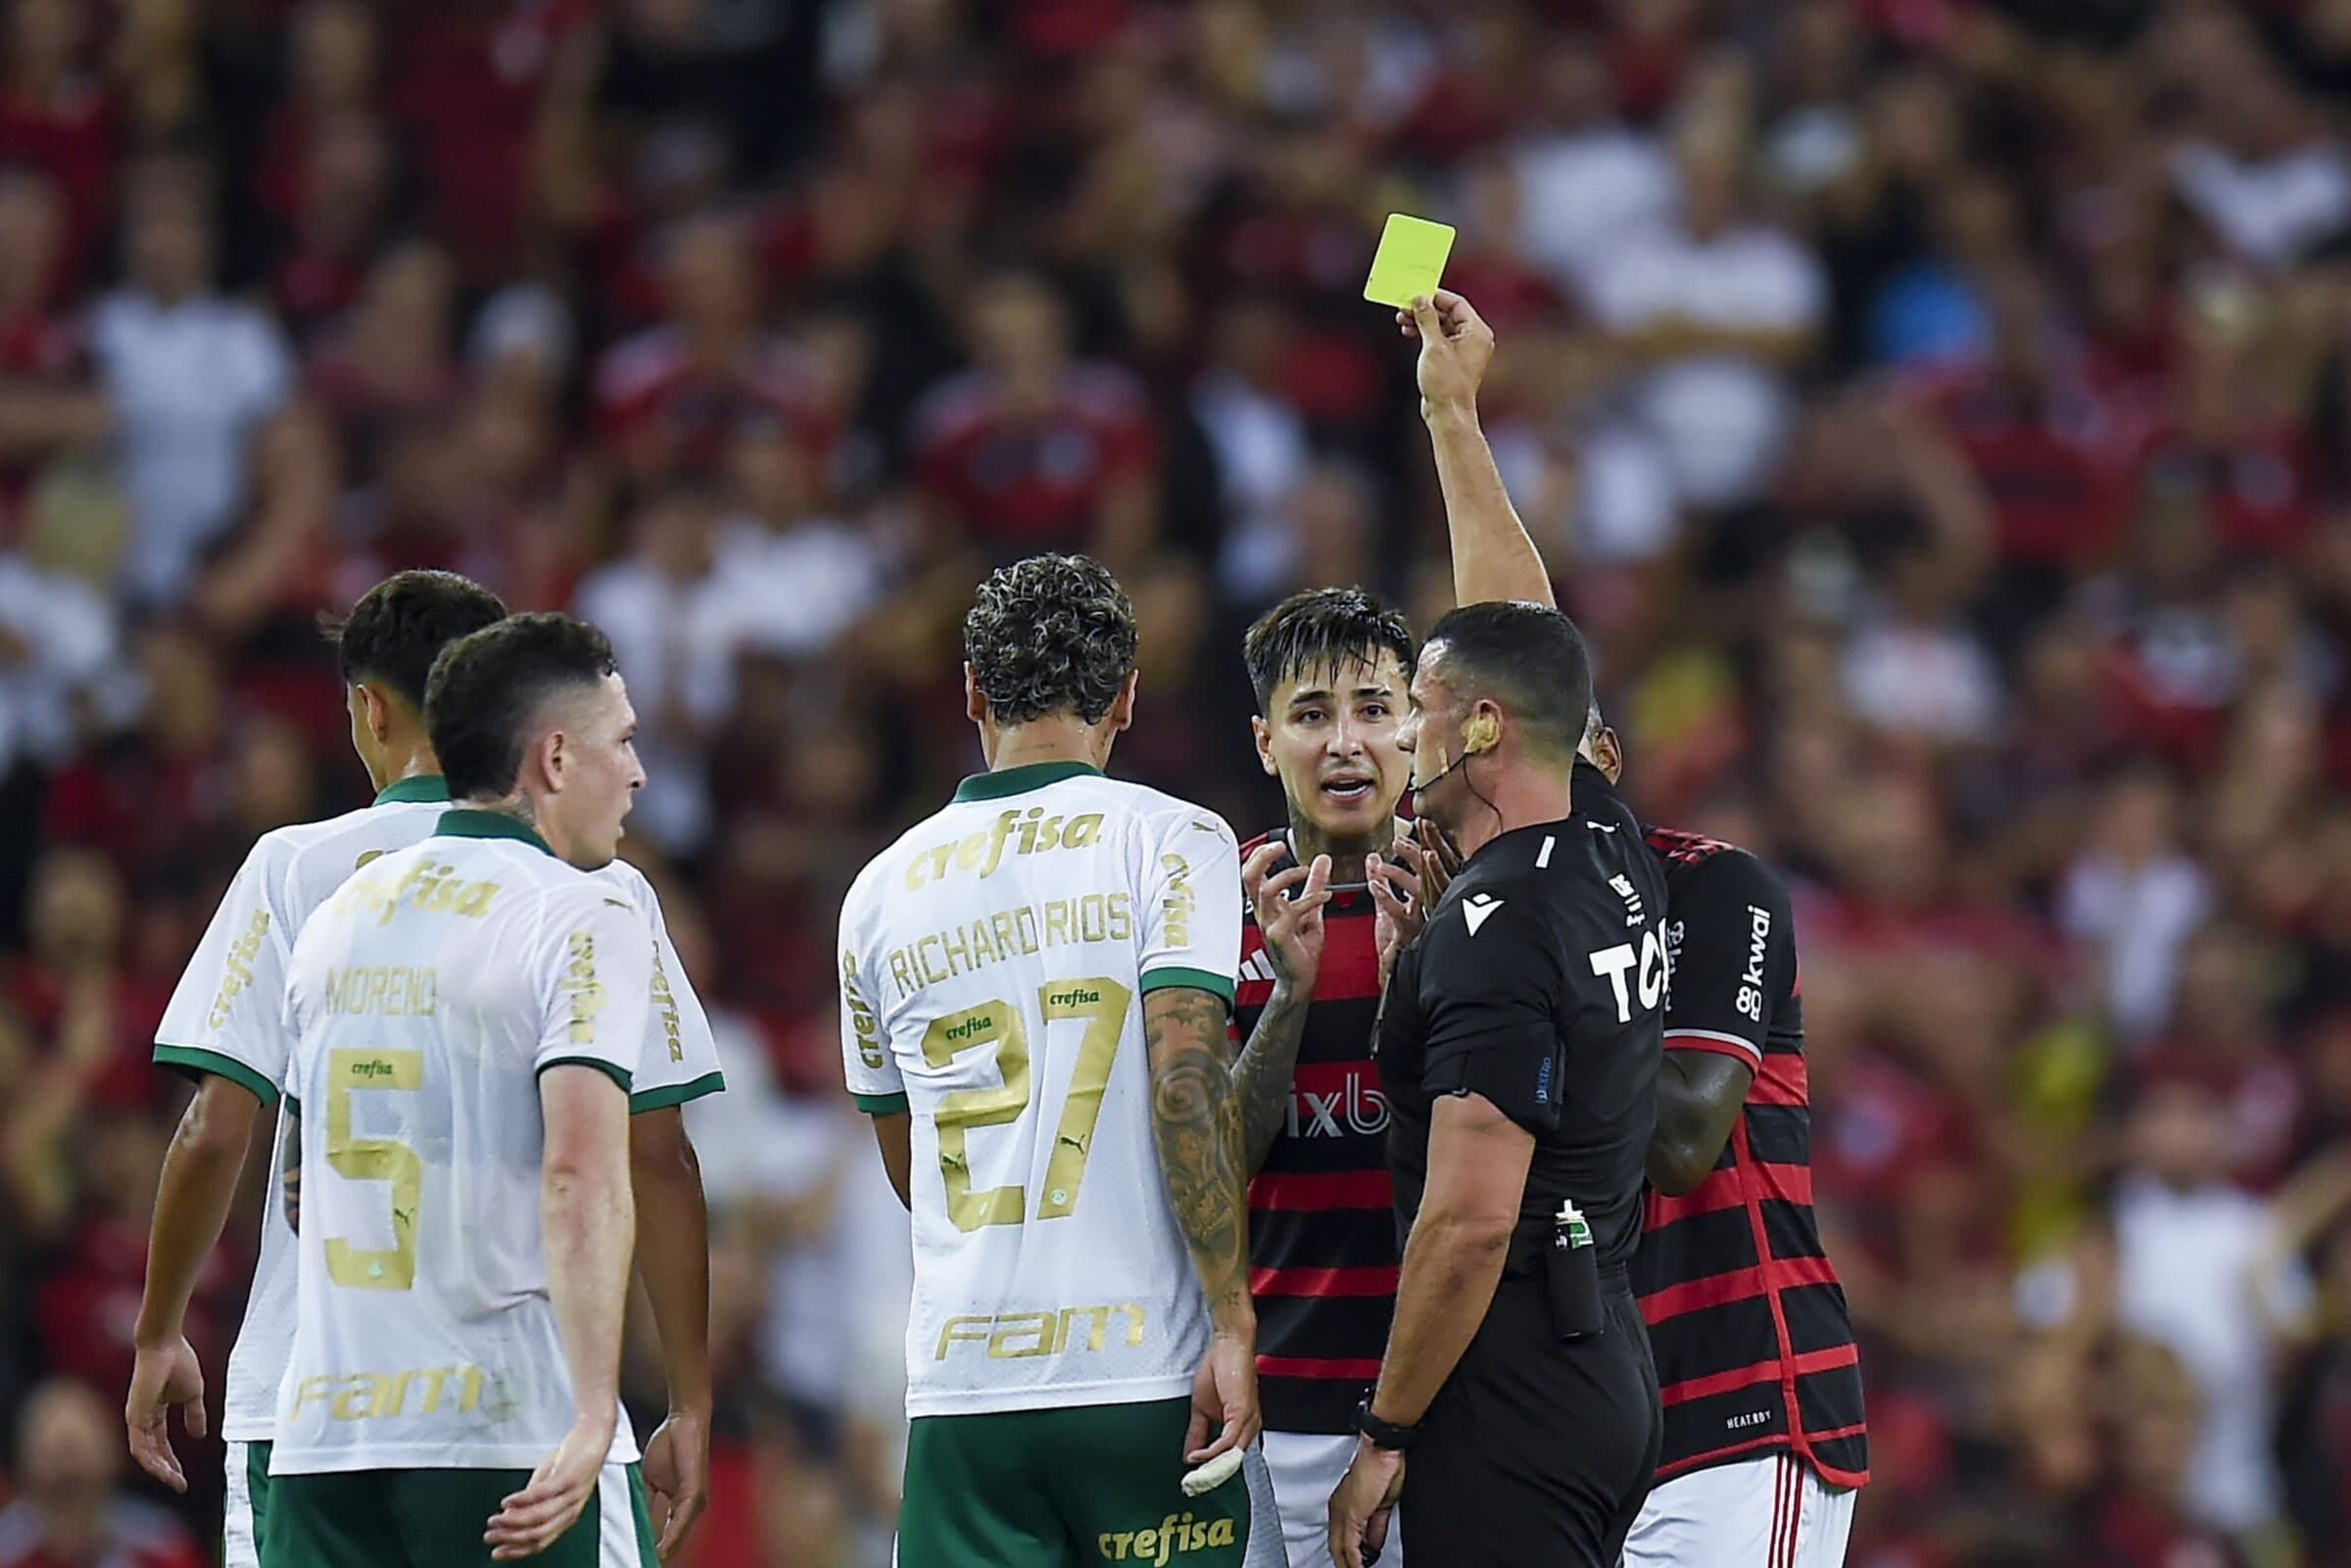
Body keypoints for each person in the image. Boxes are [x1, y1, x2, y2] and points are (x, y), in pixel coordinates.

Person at [1396, 287, 1866, 1566]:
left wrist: (1522, 1015)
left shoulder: (1717, 889)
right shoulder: (1485, 921)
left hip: (1743, 1400)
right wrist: (1452, 416)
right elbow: (1511, 652)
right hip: (1587, 1418)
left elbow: (1682, 1132)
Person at [126, 574, 724, 1568]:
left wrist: (158, 1329)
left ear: (370, 707)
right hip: (511, 1401)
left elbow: (216, 1127)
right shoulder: (593, 889)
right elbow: (654, 1158)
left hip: (312, 1396)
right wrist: (691, 1397)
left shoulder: (308, 882)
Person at [837, 553, 1283, 1566]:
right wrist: (1229, 1313)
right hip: (1142, 1379)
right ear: (1128, 695)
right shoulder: (1175, 839)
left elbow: (908, 1167)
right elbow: (1184, 1080)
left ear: (970, 693)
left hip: (961, 1392)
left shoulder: (874, 890)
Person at [259, 611, 651, 1566]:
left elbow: (303, 1185)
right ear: (555, 757)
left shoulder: (339, 913)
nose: (637, 773)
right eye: (625, 741)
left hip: (324, 1431)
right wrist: (597, 1408)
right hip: (502, 1430)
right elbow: (578, 1175)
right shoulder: (583, 907)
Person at [1329, 596, 1667, 1568]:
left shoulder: (1499, 923)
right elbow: (1534, 637)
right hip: (1604, 1343)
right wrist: (1452, 435)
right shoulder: (1612, 848)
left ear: (1483, 725)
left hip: (1515, 1379)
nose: (1398, 733)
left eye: (1418, 705)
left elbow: (1471, 1222)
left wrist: (1386, 1427)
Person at [1226, 587, 1435, 1565]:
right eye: (1312, 714)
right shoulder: (1208, 912)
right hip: (1282, 1406)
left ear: (1417, 726)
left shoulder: (1479, 896)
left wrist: (1421, 992)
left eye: (1373, 709)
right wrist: (1290, 994)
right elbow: (1207, 1164)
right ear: (1267, 741)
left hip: (1452, 1397)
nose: (1346, 742)